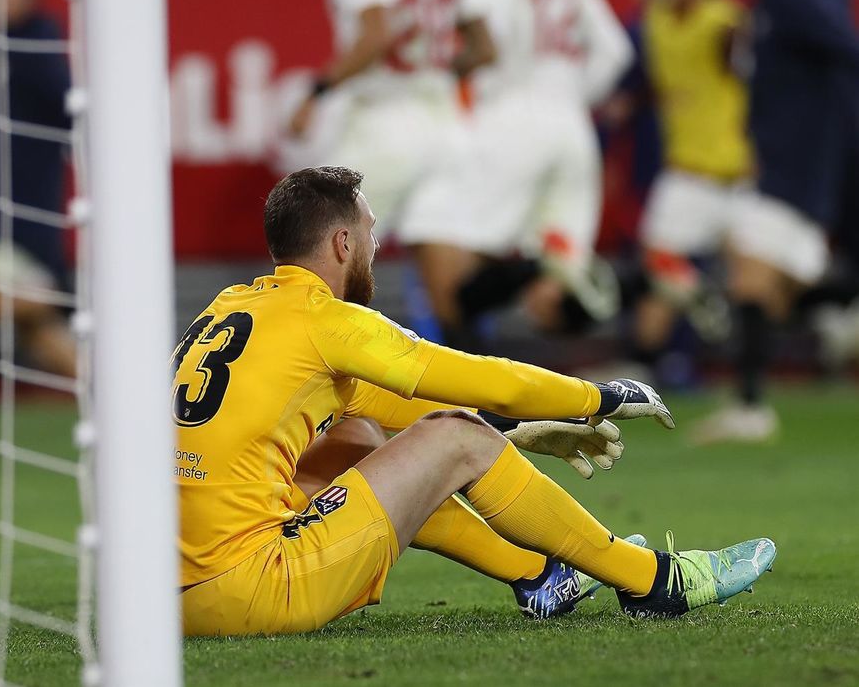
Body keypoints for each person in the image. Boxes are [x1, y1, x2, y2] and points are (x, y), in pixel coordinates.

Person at [176, 166, 774, 636]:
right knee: (455, 437)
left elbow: (384, 410)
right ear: (340, 243)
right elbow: (482, 383)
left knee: (354, 440)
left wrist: (523, 428)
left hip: (167, 605)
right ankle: (655, 583)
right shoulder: (327, 321)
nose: (375, 248)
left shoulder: (233, 308)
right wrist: (595, 397)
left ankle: (540, 577)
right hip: (253, 588)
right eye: (370, 234)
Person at [690, 0, 859, 443]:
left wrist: (830, 145)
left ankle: (750, 406)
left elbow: (845, 51)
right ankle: (837, 316)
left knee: (749, 274)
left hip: (801, 165)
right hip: (788, 160)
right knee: (769, 285)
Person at [424, 0, 632, 349]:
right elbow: (615, 51)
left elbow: (486, 41)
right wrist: (569, 97)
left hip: (510, 117)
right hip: (573, 126)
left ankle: (463, 395)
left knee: (452, 274)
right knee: (557, 270)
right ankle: (555, 395)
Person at [288, 0, 496, 348]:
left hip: (382, 122)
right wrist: (430, 74)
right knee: (448, 287)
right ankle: (470, 401)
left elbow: (377, 37)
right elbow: (484, 49)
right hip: (446, 125)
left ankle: (311, 377)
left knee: (324, 260)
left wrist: (315, 94)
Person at [624, 0, 749, 375]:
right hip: (686, 170)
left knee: (759, 278)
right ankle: (645, 363)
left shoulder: (725, 20)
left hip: (738, 170)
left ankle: (832, 314)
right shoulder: (656, 17)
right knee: (658, 267)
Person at [0, 0, 76, 379]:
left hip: (29, 211)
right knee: (42, 338)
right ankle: (129, 406)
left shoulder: (38, 40)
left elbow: (69, 109)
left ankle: (66, 296)